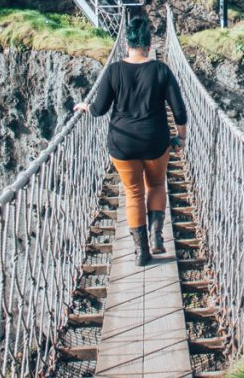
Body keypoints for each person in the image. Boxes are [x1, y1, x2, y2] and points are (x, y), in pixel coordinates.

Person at [74, 15, 188, 266]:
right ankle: (157, 236)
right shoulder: (161, 70)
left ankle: (141, 253)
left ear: (127, 45)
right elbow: (179, 110)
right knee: (156, 185)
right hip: (155, 142)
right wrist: (180, 137)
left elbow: (100, 108)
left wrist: (86, 106)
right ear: (148, 46)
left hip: (122, 143)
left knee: (133, 193)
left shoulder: (114, 71)